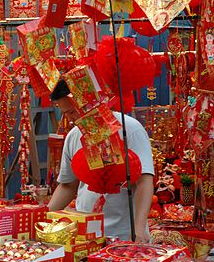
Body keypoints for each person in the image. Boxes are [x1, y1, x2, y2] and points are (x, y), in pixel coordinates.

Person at [47, 79, 154, 242]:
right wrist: (44, 218)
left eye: (71, 112)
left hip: (124, 234)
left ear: (87, 103)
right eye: (65, 113)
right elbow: (68, 185)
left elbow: (144, 181)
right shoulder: (74, 136)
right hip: (84, 232)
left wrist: (139, 229)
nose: (69, 119)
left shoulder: (129, 129)